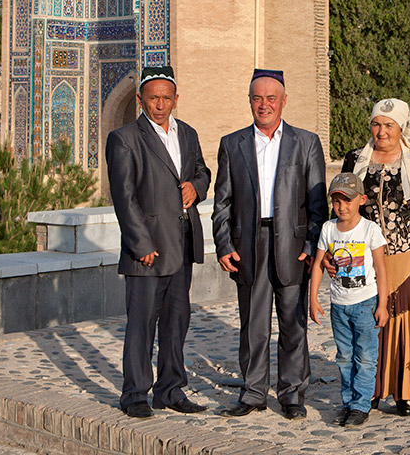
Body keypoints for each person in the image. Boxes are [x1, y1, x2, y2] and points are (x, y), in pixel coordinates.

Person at [212, 69, 327, 420]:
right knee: (253, 323)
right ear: (249, 101)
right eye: (257, 98)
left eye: (271, 98)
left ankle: (292, 394)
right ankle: (253, 392)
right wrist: (222, 244)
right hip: (249, 243)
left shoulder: (305, 142)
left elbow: (317, 203)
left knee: (293, 324)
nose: (264, 105)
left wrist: (311, 243)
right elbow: (222, 202)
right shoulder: (232, 144)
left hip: (292, 246)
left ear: (283, 101)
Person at [106, 66, 211, 418]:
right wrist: (140, 244)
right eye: (153, 98)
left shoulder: (188, 134)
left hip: (181, 244)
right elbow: (124, 197)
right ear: (141, 100)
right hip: (147, 250)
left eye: (167, 98)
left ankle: (170, 389)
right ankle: (135, 394)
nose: (160, 105)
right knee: (141, 325)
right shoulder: (125, 139)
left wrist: (196, 187)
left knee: (176, 321)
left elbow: (202, 171)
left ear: (176, 100)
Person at [338, 98, 410, 417]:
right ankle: (368, 389)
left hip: (409, 256)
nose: (381, 131)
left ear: (401, 129)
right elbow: (342, 208)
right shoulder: (356, 160)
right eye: (376, 124)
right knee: (368, 323)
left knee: (405, 324)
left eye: (389, 125)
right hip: (367, 258)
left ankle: (404, 392)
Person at [309, 173, 389, 427]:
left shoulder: (370, 229)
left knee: (365, 357)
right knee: (344, 356)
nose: (342, 207)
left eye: (348, 201)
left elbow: (381, 269)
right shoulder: (328, 228)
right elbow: (318, 265)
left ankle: (361, 404)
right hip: (338, 305)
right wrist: (313, 298)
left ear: (361, 200)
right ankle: (348, 401)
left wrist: (383, 305)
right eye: (337, 201)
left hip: (365, 303)